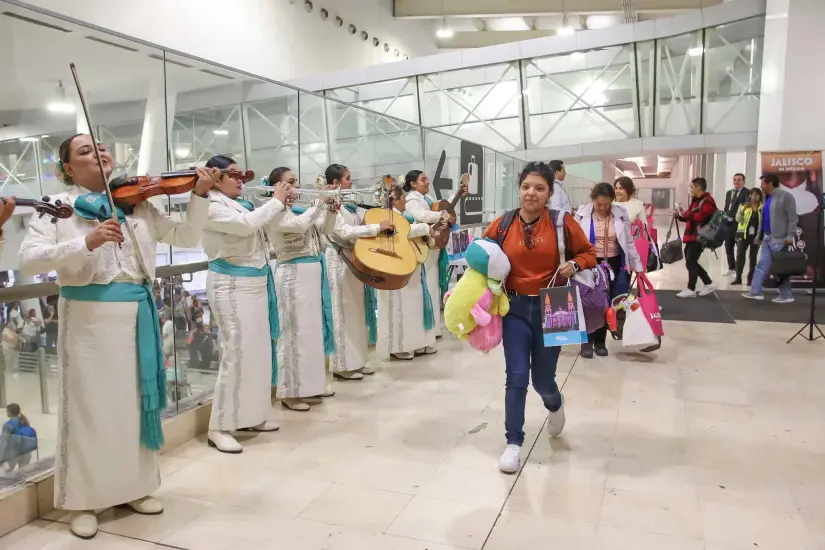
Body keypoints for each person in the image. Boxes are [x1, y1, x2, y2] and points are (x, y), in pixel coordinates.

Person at [18, 133, 215, 539]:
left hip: (138, 312)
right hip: (88, 317)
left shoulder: (138, 202)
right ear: (69, 169)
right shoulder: (60, 207)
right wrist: (85, 240)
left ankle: (134, 486)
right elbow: (28, 262)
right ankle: (84, 498)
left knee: (134, 405)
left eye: (101, 146)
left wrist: (199, 194)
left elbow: (187, 237)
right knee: (91, 407)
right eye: (86, 151)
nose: (100, 152)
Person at [482, 161, 596, 474]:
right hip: (515, 308)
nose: (531, 193)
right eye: (526, 187)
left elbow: (589, 253)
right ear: (519, 190)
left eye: (539, 188)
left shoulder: (562, 221)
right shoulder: (503, 224)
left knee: (542, 379)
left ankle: (555, 404)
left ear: (549, 193)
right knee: (516, 376)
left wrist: (574, 265)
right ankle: (513, 442)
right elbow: (482, 255)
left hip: (558, 304)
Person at [201, 154, 290, 453]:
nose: (240, 180)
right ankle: (219, 426)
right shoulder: (209, 204)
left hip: (255, 282)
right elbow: (243, 227)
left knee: (259, 353)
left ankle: (251, 415)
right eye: (234, 175)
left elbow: (262, 229)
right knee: (236, 353)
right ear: (215, 176)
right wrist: (275, 202)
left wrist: (279, 207)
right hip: (230, 284)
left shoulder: (241, 203)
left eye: (242, 175)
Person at [266, 166, 338, 411]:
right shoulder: (274, 212)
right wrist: (319, 202)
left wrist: (331, 211)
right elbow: (297, 226)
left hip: (310, 274)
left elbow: (325, 231)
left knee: (310, 334)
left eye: (296, 181)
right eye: (290, 182)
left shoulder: (298, 210)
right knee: (292, 334)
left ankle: (310, 386)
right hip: (292, 275)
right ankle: (290, 392)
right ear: (276, 186)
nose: (295, 187)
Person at [321, 164, 391, 380]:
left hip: (353, 259)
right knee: (342, 313)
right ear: (335, 183)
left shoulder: (349, 205)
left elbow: (362, 221)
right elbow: (344, 232)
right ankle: (342, 365)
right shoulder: (331, 206)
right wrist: (377, 228)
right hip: (338, 260)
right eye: (348, 178)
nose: (351, 183)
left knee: (356, 313)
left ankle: (357, 360)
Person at [574, 182, 644, 358]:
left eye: (607, 204)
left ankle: (600, 342)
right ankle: (586, 342)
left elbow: (628, 241)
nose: (603, 208)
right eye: (599, 204)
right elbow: (573, 240)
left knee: (609, 304)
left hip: (613, 264)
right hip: (590, 262)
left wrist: (637, 266)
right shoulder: (582, 213)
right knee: (588, 303)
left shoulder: (620, 214)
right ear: (593, 200)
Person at [377, 185, 445, 360]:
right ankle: (398, 346)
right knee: (400, 307)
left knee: (414, 306)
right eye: (403, 199)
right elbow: (400, 231)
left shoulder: (402, 215)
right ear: (395, 199)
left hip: (412, 263)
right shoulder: (387, 215)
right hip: (396, 265)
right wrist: (424, 229)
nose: (406, 202)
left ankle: (417, 342)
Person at [403, 169, 468, 345]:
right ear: (412, 184)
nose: (427, 182)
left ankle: (432, 329)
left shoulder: (428, 199)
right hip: (422, 247)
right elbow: (421, 216)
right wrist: (443, 215)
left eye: (427, 179)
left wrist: (458, 193)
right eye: (423, 179)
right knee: (426, 289)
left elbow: (445, 205)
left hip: (434, 248)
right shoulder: (411, 200)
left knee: (433, 288)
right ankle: (424, 331)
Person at [743, 174, 798, 303]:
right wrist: (758, 235)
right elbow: (763, 219)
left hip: (780, 239)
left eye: (763, 183)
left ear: (771, 184)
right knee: (761, 265)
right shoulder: (766, 198)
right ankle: (756, 292)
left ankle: (786, 295)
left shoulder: (786, 197)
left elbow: (792, 218)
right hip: (767, 237)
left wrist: (790, 235)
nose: (761, 186)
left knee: (780, 268)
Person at [674, 177, 718, 298]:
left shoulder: (708, 201)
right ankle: (708, 283)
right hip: (692, 235)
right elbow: (690, 216)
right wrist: (680, 215)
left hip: (700, 236)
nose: (690, 190)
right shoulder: (695, 201)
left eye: (692, 187)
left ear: (698, 187)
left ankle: (691, 288)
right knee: (690, 261)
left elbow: (700, 217)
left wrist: (686, 214)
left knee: (691, 261)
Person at [733, 188, 763, 286]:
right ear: (748, 196)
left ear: (760, 196)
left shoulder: (762, 208)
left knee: (753, 258)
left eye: (756, 195)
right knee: (740, 257)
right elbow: (738, 220)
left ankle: (751, 279)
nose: (754, 197)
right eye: (752, 195)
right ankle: (738, 278)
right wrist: (743, 209)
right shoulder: (743, 206)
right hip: (743, 235)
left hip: (756, 236)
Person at [723, 173, 749, 275]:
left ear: (743, 181)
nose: (736, 182)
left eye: (739, 180)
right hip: (728, 224)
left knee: (740, 248)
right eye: (734, 180)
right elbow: (727, 206)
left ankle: (738, 269)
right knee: (728, 246)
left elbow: (746, 207)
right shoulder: (729, 193)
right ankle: (731, 267)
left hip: (739, 224)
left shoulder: (747, 193)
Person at [0, 404, 37, 472]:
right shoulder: (24, 421)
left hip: (13, 453)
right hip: (26, 451)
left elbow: (4, 442)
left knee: (8, 473)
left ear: (9, 412)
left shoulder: (8, 425)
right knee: (23, 473)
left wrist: (1, 457)